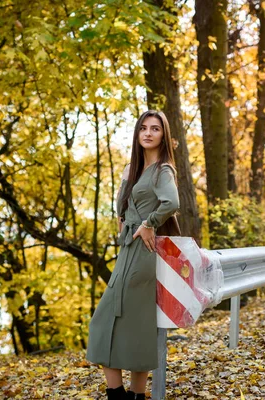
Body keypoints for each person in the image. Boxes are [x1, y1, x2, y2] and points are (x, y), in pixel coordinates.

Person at [86, 110, 180, 400]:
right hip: (127, 251)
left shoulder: (163, 170)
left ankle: (123, 394)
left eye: (155, 128)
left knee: (120, 322)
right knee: (117, 322)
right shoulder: (131, 169)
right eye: (143, 128)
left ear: (163, 135)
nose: (148, 133)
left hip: (145, 255)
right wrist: (128, 228)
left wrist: (148, 224)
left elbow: (172, 202)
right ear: (137, 134)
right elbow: (121, 211)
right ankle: (129, 394)